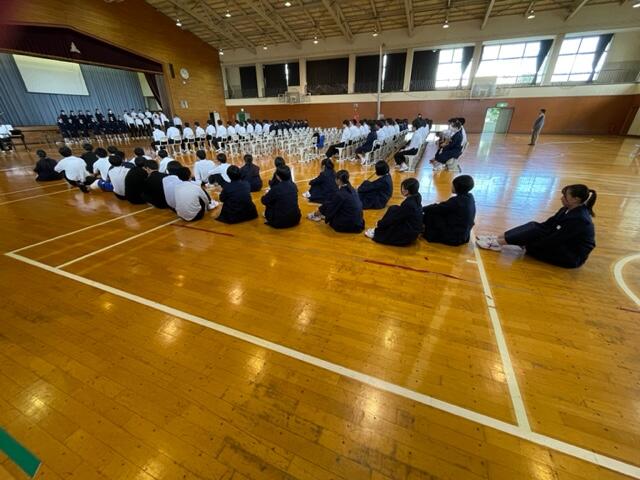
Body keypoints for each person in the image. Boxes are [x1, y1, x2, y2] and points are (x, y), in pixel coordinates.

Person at [476, 184, 596, 268]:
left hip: (570, 255)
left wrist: (529, 242)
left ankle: (498, 243)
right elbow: (548, 224)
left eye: (565, 196)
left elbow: (556, 239)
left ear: (575, 199)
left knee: (533, 239)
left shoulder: (579, 219)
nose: (562, 198)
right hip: (562, 245)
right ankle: (498, 239)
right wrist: (527, 236)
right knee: (534, 226)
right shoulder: (566, 209)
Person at [365, 178, 423, 246]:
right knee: (393, 209)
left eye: (403, 188)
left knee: (391, 224)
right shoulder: (417, 196)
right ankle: (380, 228)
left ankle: (377, 232)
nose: (401, 189)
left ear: (406, 191)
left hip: (409, 233)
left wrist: (381, 223)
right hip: (414, 228)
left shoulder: (409, 204)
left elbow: (395, 218)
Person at [422, 175, 476, 246]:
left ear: (458, 187)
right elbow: (443, 206)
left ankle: (424, 231)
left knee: (431, 214)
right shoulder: (469, 198)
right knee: (437, 212)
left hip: (455, 238)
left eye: (453, 185)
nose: (451, 186)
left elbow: (438, 208)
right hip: (464, 235)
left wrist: (421, 209)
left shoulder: (456, 201)